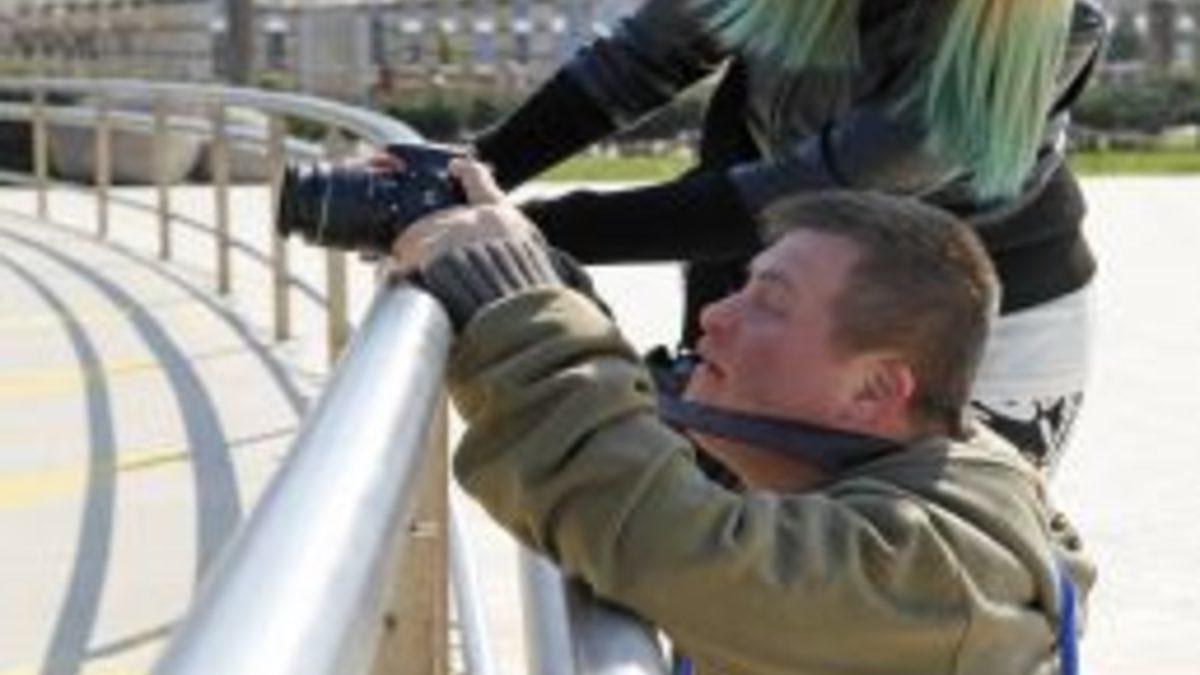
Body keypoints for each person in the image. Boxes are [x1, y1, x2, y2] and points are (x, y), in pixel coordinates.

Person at [393, 160, 1095, 674]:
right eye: (741, 288)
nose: (714, 315)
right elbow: (640, 444)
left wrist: (510, 302)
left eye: (770, 303)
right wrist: (531, 274)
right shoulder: (917, 473)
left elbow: (663, 538)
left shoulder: (931, 576)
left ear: (874, 387)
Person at [466, 0, 1111, 471]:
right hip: (796, 295)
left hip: (996, 328)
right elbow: (638, 61)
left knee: (924, 581)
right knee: (730, 565)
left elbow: (810, 189)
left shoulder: (1053, 24)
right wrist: (466, 176)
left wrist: (525, 231)